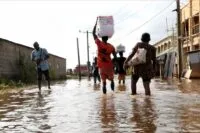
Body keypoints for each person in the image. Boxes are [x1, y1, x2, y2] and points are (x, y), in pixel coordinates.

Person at [92, 18, 117, 94]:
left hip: (101, 67)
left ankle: (104, 99)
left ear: (102, 37)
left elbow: (93, 33)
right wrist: (113, 65)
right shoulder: (111, 46)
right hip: (109, 66)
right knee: (112, 79)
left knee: (104, 83)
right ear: (107, 38)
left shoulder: (99, 43)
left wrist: (96, 23)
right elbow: (115, 57)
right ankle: (113, 91)